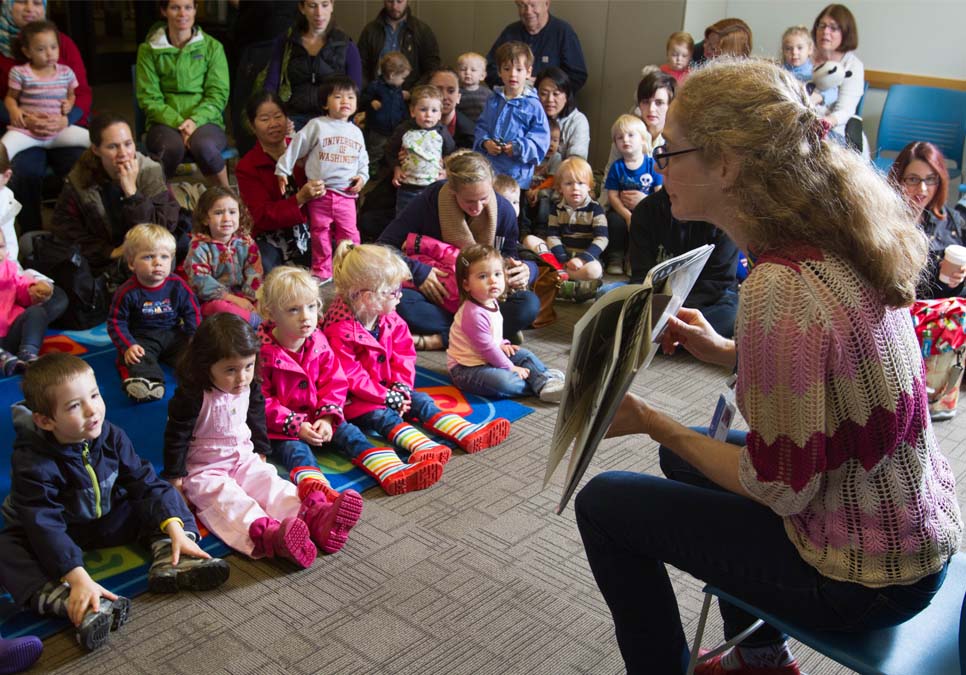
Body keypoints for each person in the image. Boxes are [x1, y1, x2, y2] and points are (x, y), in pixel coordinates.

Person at [575, 58, 963, 675]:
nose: (658, 165)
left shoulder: (780, 288)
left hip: (862, 577)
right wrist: (730, 352)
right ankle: (759, 658)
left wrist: (654, 421)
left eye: (670, 150)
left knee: (604, 501)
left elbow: (780, 485)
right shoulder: (835, 234)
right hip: (911, 534)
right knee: (687, 458)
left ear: (725, 163)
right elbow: (838, 368)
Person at [0, 354, 230, 651]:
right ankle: (68, 600)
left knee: (166, 496)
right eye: (74, 406)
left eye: (94, 395)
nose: (92, 410)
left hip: (106, 517)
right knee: (7, 548)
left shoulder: (110, 435)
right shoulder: (32, 462)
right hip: (60, 531)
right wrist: (76, 575)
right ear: (45, 420)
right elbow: (44, 525)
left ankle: (173, 555)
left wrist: (174, 527)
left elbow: (144, 482)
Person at [163, 312, 363, 567]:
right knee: (229, 501)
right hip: (205, 469)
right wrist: (175, 479)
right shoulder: (192, 395)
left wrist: (260, 449)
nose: (242, 378)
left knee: (270, 483)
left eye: (248, 366)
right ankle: (269, 536)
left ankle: (314, 518)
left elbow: (256, 414)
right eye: (230, 370)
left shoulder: (248, 384)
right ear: (205, 366)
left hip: (243, 456)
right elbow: (175, 437)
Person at [323, 241, 511, 474]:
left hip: (388, 388)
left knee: (419, 401)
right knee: (383, 416)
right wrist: (385, 396)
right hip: (355, 400)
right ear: (367, 298)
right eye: (393, 292)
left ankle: (464, 432)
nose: (400, 296)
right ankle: (422, 447)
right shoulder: (338, 330)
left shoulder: (389, 316)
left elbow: (404, 354)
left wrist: (401, 387)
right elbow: (350, 376)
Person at [258, 264, 441, 496]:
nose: (306, 317)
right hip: (283, 428)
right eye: (293, 310)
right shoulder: (261, 353)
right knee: (296, 451)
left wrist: (326, 416)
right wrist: (295, 425)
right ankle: (319, 494)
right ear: (271, 313)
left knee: (350, 434)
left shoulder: (318, 341)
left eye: (312, 307)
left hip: (321, 416)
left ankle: (392, 471)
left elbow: (334, 382)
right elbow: (262, 401)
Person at [377, 151, 540, 350]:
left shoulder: (503, 210)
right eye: (469, 201)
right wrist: (419, 271)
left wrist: (526, 270)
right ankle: (489, 332)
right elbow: (383, 246)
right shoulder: (430, 200)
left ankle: (442, 339)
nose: (477, 207)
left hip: (483, 294)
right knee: (398, 301)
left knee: (528, 305)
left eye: (484, 198)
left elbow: (510, 256)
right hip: (439, 294)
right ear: (453, 191)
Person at [49, 113, 181, 282]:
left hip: (147, 256)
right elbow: (65, 229)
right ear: (96, 150)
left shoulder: (150, 171)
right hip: (101, 257)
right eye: (112, 147)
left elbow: (161, 228)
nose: (123, 153)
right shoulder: (80, 179)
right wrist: (109, 251)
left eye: (128, 144)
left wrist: (132, 194)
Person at [0, 0, 92, 235]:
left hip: (62, 127)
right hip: (22, 130)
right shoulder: (14, 66)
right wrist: (21, 117)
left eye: (37, 2)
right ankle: (31, 232)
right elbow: (9, 98)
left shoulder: (62, 43)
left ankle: (81, 226)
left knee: (81, 164)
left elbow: (80, 92)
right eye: (22, 1)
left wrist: (66, 118)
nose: (31, 8)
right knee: (23, 172)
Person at [275, 74, 367, 283]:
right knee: (319, 232)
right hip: (320, 193)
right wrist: (283, 169)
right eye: (338, 97)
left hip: (346, 195)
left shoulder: (356, 132)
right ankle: (322, 269)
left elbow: (363, 161)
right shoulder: (317, 125)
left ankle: (351, 269)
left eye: (350, 97)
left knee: (349, 234)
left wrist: (362, 177)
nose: (345, 101)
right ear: (325, 103)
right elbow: (296, 146)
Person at [447, 243, 564, 402]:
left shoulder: (491, 301)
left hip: (490, 355)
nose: (492, 281)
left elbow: (493, 335)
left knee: (524, 354)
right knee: (504, 382)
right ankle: (541, 382)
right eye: (483, 276)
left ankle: (544, 380)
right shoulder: (473, 313)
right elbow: (487, 348)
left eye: (497, 274)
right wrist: (511, 368)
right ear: (466, 284)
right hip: (466, 368)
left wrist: (503, 343)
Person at [136, 0, 230, 187]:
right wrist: (180, 123)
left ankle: (227, 201)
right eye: (175, 7)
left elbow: (218, 94)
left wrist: (194, 121)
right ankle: (158, 204)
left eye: (188, 7)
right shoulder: (148, 50)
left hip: (205, 120)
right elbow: (149, 98)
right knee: (170, 149)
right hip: (163, 123)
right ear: (164, 11)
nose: (182, 14)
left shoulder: (213, 47)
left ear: (195, 10)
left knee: (204, 147)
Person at [107, 224, 200, 403]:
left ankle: (198, 378)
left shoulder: (178, 285)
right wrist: (128, 345)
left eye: (164, 257)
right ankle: (149, 384)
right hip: (142, 338)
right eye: (149, 257)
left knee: (193, 355)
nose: (158, 262)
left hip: (173, 334)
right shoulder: (127, 291)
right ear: (132, 263)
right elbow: (116, 322)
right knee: (138, 359)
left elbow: (192, 312)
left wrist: (194, 336)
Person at [628, 189, 739, 338]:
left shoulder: (723, 216)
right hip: (657, 298)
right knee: (606, 294)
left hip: (707, 299)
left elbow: (717, 282)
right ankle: (679, 335)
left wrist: (673, 313)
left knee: (731, 316)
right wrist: (658, 306)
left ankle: (655, 334)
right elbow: (641, 273)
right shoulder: (646, 209)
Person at [235, 91, 312, 274]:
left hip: (309, 228)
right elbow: (261, 215)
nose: (273, 124)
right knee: (266, 272)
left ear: (287, 119)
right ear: (253, 126)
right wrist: (299, 199)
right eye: (264, 119)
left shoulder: (303, 150)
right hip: (271, 236)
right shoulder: (247, 166)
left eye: (278, 116)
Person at [262, 0, 363, 132]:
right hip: (292, 120)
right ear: (302, 8)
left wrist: (343, 121)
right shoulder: (287, 42)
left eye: (324, 5)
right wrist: (278, 118)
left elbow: (355, 92)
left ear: (332, 6)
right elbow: (271, 86)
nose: (319, 13)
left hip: (333, 121)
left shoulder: (347, 46)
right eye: (312, 6)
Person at [888, 141, 966, 300]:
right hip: (908, 312)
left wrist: (957, 280)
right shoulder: (885, 224)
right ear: (898, 179)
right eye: (912, 179)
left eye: (930, 179)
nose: (922, 189)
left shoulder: (949, 220)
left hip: (946, 310)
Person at [1, 20, 88, 160]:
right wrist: (14, 110)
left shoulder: (66, 72)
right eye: (41, 49)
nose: (49, 53)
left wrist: (70, 103)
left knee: (95, 141)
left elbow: (72, 95)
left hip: (60, 130)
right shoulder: (20, 72)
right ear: (27, 52)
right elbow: (10, 97)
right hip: (27, 131)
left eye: (54, 47)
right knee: (3, 149)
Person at [474, 42, 550, 190]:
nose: (512, 74)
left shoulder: (533, 105)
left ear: (528, 72)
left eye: (519, 69)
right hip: (490, 172)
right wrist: (485, 143)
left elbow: (541, 139)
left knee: (512, 211)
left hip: (517, 177)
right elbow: (481, 127)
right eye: (507, 69)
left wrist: (518, 147)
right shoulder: (493, 100)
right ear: (499, 72)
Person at [184, 186, 263, 328]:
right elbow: (200, 281)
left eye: (232, 212)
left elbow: (254, 273)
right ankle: (256, 323)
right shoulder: (199, 247)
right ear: (205, 219)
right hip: (213, 300)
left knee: (271, 300)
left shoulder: (246, 242)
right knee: (218, 308)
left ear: (240, 214)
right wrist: (232, 299)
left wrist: (249, 300)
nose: (227, 218)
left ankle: (250, 319)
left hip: (244, 297)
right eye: (219, 213)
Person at [603, 114, 663, 275]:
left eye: (630, 135)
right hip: (622, 211)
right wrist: (627, 215)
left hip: (646, 210)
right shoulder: (617, 167)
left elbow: (659, 193)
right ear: (615, 143)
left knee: (647, 225)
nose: (625, 140)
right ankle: (615, 257)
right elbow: (613, 195)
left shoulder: (652, 165)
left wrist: (645, 204)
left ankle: (635, 260)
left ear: (643, 139)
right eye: (619, 137)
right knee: (614, 221)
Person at [0, 226, 64, 374]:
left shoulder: (10, 268)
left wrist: (34, 291)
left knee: (36, 312)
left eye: (1, 246)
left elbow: (22, 288)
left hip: (11, 332)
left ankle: (28, 352)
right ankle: (4, 360)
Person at [485, 0, 587, 92]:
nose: (528, 11)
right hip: (513, 103)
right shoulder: (510, 32)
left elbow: (577, 76)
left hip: (550, 106)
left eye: (533, 5)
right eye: (522, 6)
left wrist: (543, 86)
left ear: (546, 4)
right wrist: (514, 84)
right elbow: (490, 68)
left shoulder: (563, 32)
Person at [387, 84, 456, 215]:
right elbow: (390, 151)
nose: (428, 115)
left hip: (433, 187)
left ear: (440, 114)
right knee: (404, 219)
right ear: (413, 111)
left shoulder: (441, 132)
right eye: (423, 109)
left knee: (431, 219)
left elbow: (451, 154)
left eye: (434, 111)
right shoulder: (404, 129)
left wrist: (446, 171)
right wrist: (396, 169)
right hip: (408, 187)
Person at [546, 157, 606, 295]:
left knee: (595, 270)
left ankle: (561, 279)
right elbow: (552, 235)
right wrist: (563, 259)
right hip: (562, 257)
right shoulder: (556, 208)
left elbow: (602, 238)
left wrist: (582, 259)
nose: (575, 188)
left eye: (581, 183)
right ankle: (570, 281)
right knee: (530, 240)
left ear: (590, 186)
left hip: (585, 260)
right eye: (568, 183)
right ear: (560, 187)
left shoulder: (596, 209)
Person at [357, 0, 440, 90]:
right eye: (390, 1)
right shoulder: (370, 31)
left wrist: (413, 93)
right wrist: (368, 93)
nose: (394, 7)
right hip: (376, 96)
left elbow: (432, 69)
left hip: (411, 98)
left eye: (399, 1)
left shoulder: (422, 31)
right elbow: (360, 66)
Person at [810, 4, 864, 142]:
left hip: (834, 131)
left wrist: (824, 123)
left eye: (833, 28)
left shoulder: (853, 65)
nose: (825, 32)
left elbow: (845, 111)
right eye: (821, 26)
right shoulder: (803, 54)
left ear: (845, 33)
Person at [359, 50, 410, 174]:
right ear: (392, 75)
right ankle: (372, 165)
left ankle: (385, 162)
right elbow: (362, 99)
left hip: (394, 126)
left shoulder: (398, 89)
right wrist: (371, 102)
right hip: (378, 127)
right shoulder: (375, 86)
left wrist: (405, 118)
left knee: (390, 146)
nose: (403, 81)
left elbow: (400, 105)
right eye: (403, 77)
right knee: (375, 147)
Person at [534, 66, 588, 163]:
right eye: (544, 93)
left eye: (556, 94)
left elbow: (576, 162)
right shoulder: (529, 115)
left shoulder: (578, 121)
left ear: (566, 96)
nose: (550, 100)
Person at [456, 51, 491, 123]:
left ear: (482, 76)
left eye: (473, 70)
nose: (467, 72)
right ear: (457, 73)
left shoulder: (488, 94)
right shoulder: (455, 93)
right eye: (463, 69)